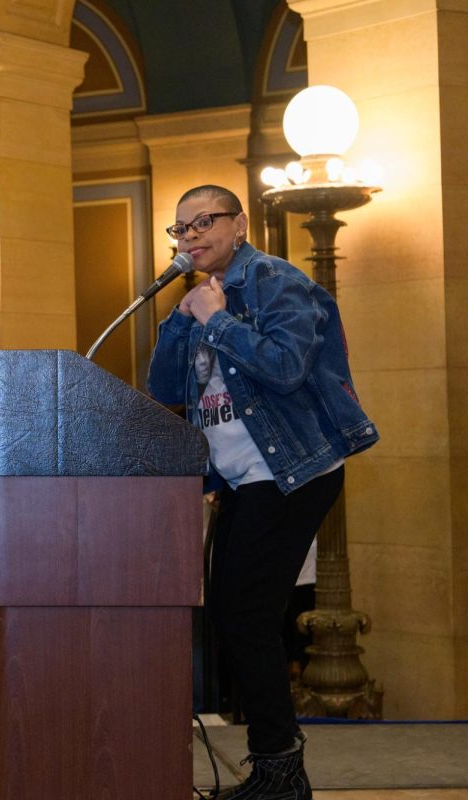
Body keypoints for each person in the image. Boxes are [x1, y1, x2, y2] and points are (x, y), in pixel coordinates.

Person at [147, 184, 379, 800]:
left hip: (294, 470)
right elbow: (163, 385)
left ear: (240, 223)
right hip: (241, 481)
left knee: (244, 613)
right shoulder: (198, 300)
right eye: (180, 229)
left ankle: (280, 770)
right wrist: (182, 316)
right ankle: (278, 766)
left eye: (203, 222)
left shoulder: (274, 281)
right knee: (234, 614)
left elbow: (285, 367)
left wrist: (217, 320)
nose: (191, 236)